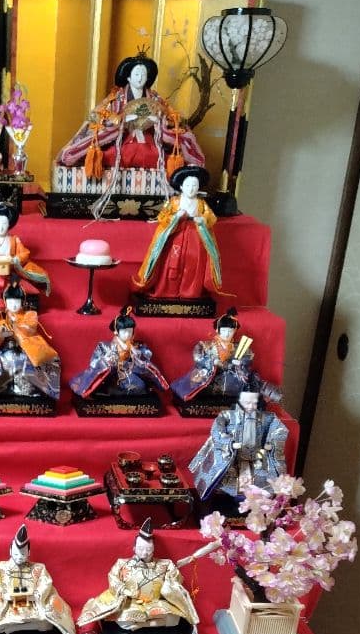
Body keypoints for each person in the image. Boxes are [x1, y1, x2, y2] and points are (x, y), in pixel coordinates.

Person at [56, 51, 204, 179]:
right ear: (128, 77)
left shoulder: (155, 98)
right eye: (136, 74)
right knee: (113, 155)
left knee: (155, 156)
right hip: (123, 140)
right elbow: (96, 116)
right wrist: (121, 119)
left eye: (143, 74)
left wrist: (158, 120)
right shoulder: (117, 97)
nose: (140, 78)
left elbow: (173, 119)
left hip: (148, 140)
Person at [77, 520, 199, 634]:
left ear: (153, 549)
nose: (144, 553)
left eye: (148, 550)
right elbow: (113, 578)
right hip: (131, 603)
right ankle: (143, 623)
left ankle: (142, 625)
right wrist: (124, 590)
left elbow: (177, 581)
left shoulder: (166, 564)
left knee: (174, 619)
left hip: (156, 603)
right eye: (140, 549)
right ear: (134, 548)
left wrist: (170, 581)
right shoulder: (122, 564)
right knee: (123, 620)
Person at [0, 524, 77, 634]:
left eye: (23, 554)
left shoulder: (39, 568)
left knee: (46, 624)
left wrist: (36, 594)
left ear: (29, 552)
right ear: (10, 550)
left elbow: (45, 583)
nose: (20, 557)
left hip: (33, 604)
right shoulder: (0, 567)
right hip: (8, 604)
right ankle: (12, 626)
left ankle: (23, 626)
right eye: (16, 554)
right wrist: (4, 595)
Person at [131, 165, 223, 301]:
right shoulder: (174, 202)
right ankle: (168, 291)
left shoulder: (201, 204)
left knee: (192, 265)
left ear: (198, 187)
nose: (191, 188)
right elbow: (162, 217)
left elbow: (211, 218)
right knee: (171, 263)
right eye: (188, 185)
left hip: (195, 238)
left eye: (194, 185)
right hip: (176, 235)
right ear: (181, 186)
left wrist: (202, 220)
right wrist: (175, 217)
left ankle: (190, 292)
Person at [0, 281, 60, 400]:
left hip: (23, 349)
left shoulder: (29, 315)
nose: (13, 305)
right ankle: (1, 389)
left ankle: (23, 390)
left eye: (17, 301)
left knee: (23, 361)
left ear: (22, 302)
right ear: (5, 302)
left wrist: (13, 329)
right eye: (10, 301)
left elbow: (29, 328)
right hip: (3, 348)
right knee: (1, 362)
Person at [189, 390, 289, 501]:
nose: (250, 406)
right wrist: (229, 443)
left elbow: (279, 428)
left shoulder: (266, 417)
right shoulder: (228, 415)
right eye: (247, 402)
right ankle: (229, 497)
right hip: (234, 455)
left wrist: (271, 442)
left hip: (257, 455)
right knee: (227, 479)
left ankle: (252, 498)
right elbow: (217, 428)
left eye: (253, 403)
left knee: (261, 479)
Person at [170, 308, 281, 405]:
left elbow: (247, 360)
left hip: (232, 375)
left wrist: (240, 363)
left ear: (234, 331)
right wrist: (211, 361)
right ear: (217, 330)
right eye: (223, 331)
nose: (227, 334)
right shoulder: (206, 345)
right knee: (199, 384)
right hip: (212, 376)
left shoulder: (239, 347)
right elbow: (198, 358)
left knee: (251, 382)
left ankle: (269, 392)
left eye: (230, 331)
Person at [70, 307, 169, 399]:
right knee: (103, 387)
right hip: (111, 376)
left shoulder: (137, 346)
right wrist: (106, 360)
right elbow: (93, 363)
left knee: (140, 386)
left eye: (130, 331)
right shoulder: (104, 346)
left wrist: (137, 355)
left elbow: (146, 357)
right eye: (124, 331)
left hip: (129, 374)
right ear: (116, 331)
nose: (128, 334)